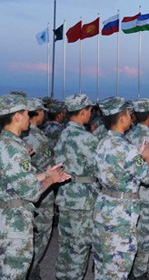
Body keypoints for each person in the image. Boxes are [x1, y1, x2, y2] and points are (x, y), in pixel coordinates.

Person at [0, 93, 69, 279]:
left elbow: (12, 179)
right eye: (26, 113)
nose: (29, 118)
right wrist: (51, 180)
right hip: (14, 226)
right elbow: (31, 192)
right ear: (17, 116)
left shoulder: (3, 142)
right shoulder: (15, 148)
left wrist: (45, 174)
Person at [92, 96, 149, 280]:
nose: (131, 117)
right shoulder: (126, 149)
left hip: (104, 206)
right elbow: (147, 177)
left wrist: (138, 155)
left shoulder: (102, 142)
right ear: (122, 118)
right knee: (118, 269)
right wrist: (147, 158)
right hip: (121, 214)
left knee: (103, 266)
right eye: (128, 113)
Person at [54, 94, 99, 280]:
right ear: (82, 112)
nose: (90, 114)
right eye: (89, 111)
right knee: (80, 247)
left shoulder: (63, 133)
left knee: (65, 244)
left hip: (66, 193)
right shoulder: (86, 138)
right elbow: (99, 167)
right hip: (83, 198)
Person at [126, 98, 149, 279]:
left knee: (129, 233)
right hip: (147, 194)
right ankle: (140, 273)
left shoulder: (127, 137)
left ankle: (129, 269)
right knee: (145, 236)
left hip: (130, 193)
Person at [23, 98, 56, 280]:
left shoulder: (18, 135)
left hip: (23, 191)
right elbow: (48, 165)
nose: (45, 114)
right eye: (43, 111)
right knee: (41, 233)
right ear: (37, 113)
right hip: (41, 191)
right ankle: (31, 269)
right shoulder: (38, 138)